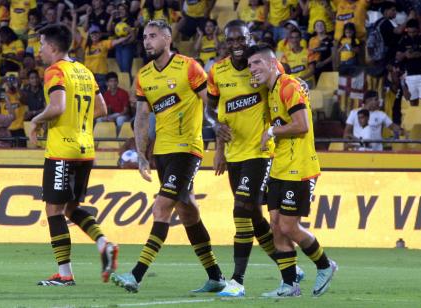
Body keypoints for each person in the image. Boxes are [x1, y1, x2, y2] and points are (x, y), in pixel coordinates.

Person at [110, 19, 226, 293]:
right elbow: (141, 117)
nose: (147, 41)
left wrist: (217, 131)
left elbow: (209, 104)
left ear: (167, 38)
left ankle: (136, 275)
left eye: (152, 36)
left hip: (187, 149)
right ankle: (216, 276)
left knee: (162, 207)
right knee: (188, 211)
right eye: (144, 37)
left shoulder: (189, 67)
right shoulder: (145, 75)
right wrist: (141, 154)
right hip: (162, 152)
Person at [207, 19, 303, 297]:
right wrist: (217, 141)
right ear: (225, 42)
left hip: (260, 151)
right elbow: (212, 108)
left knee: (240, 209)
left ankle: (237, 281)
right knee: (253, 214)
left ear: (250, 39)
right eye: (231, 40)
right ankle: (290, 270)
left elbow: (286, 87)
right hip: (234, 152)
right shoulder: (217, 71)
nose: (237, 45)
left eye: (241, 39)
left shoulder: (264, 66)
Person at [28, 23, 118, 286]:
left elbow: (57, 106)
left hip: (62, 151)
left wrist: (36, 120)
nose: (40, 48)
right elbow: (101, 109)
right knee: (70, 207)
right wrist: (77, 122)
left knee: (53, 210)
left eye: (42, 44)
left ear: (53, 47)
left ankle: (65, 275)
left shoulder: (55, 71)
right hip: (85, 149)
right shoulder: (84, 71)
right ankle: (104, 243)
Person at [246, 43, 337, 297]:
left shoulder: (289, 86)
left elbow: (302, 125)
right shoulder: (272, 89)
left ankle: (325, 265)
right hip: (280, 165)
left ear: (273, 63)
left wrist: (272, 131)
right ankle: (289, 285)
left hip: (300, 166)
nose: (252, 68)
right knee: (275, 224)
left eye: (257, 63)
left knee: (288, 226)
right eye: (250, 64)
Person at [396, 19, 421, 119]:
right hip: (409, 75)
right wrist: (405, 54)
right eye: (409, 32)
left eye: (414, 32)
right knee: (413, 104)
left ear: (418, 30)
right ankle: (416, 124)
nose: (412, 34)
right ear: (406, 30)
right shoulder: (403, 41)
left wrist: (420, 54)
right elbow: (398, 57)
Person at [98, 72, 131, 136]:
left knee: (119, 119)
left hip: (123, 115)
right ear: (107, 83)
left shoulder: (123, 93)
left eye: (115, 81)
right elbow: (107, 110)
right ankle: (103, 137)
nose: (113, 83)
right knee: (99, 119)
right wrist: (107, 117)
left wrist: (115, 118)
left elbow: (126, 111)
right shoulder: (106, 94)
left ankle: (118, 137)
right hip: (113, 115)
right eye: (111, 81)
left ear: (117, 82)